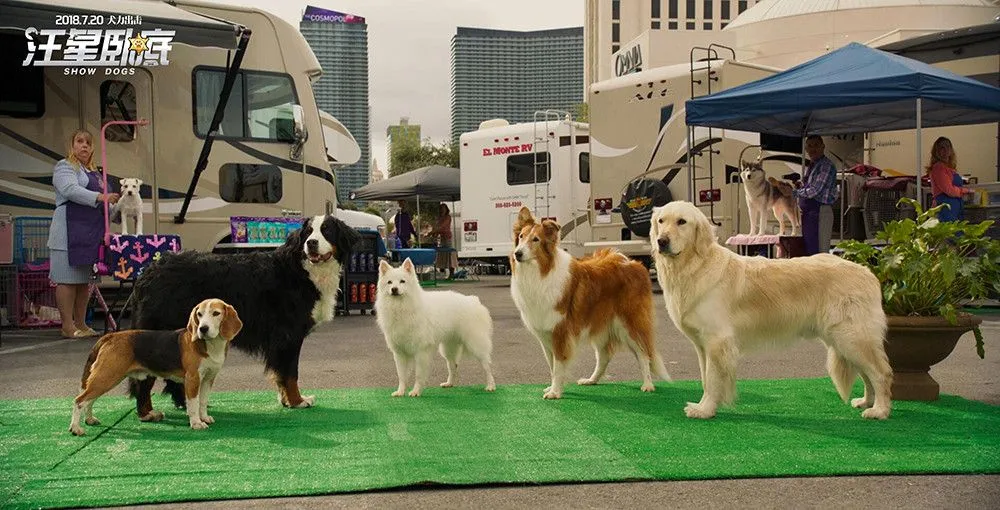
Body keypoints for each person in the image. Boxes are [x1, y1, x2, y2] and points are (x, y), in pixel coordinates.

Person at [47, 130, 119, 339]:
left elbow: (106, 206)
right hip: (67, 234)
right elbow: (70, 190)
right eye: (79, 141)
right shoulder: (65, 167)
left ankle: (81, 323)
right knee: (67, 280)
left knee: (82, 282)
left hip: (89, 235)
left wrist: (122, 206)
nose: (84, 146)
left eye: (88, 142)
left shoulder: (97, 174)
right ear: (72, 145)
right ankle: (67, 326)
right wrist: (101, 196)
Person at [794, 135, 840, 256]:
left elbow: (815, 190)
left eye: (816, 145)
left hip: (820, 212)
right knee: (810, 253)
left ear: (823, 147)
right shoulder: (813, 165)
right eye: (809, 146)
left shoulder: (826, 165)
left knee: (820, 254)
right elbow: (809, 186)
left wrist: (794, 193)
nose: (812, 149)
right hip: (810, 214)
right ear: (806, 149)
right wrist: (799, 186)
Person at [926, 137, 972, 222]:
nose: (945, 150)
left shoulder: (950, 168)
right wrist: (965, 191)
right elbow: (949, 190)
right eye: (942, 148)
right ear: (937, 151)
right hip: (946, 208)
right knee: (951, 234)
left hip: (955, 209)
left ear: (951, 150)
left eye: (948, 146)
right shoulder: (938, 167)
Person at [433, 203, 459, 279]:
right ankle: (442, 273)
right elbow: (437, 227)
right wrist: (434, 233)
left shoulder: (448, 217)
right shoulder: (439, 218)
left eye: (444, 208)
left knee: (450, 254)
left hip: (447, 238)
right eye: (441, 209)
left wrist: (433, 232)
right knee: (441, 254)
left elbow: (443, 227)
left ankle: (452, 273)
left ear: (446, 209)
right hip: (441, 238)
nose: (442, 210)